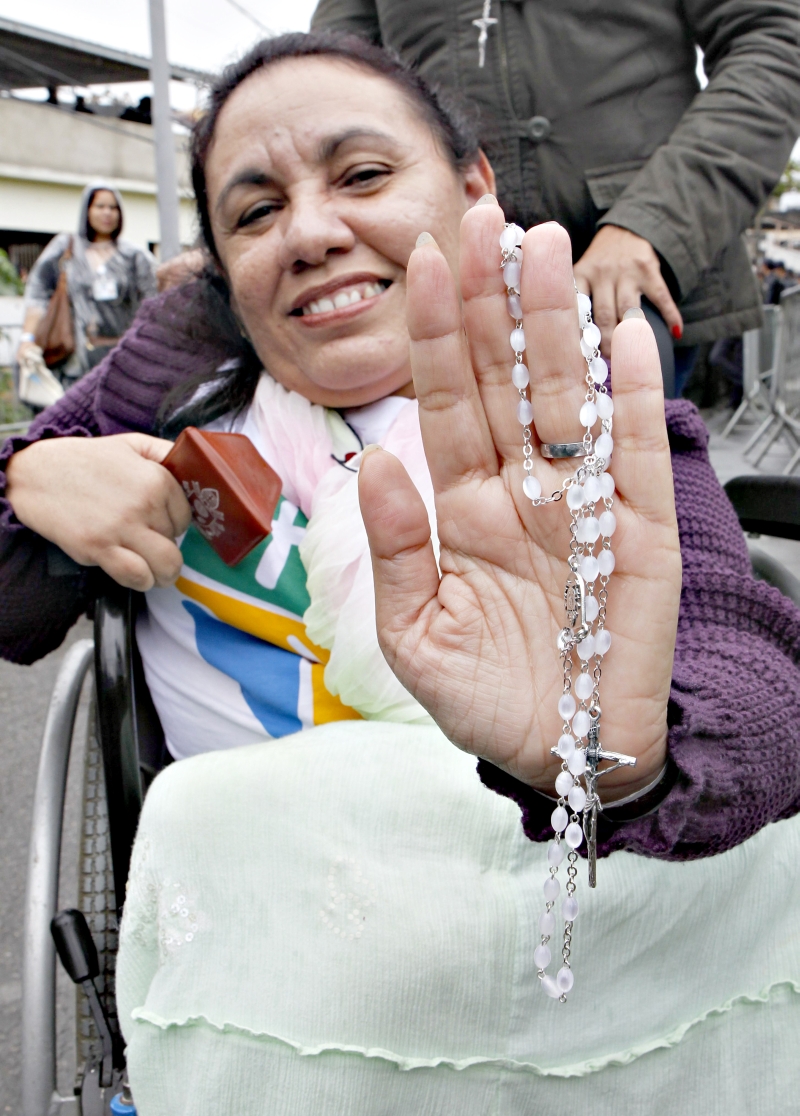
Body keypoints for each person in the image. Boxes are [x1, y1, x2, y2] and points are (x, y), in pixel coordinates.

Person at [1, 34, 799, 1113]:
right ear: (225, 278)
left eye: (363, 175)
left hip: (590, 959)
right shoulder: (169, 397)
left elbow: (754, 681)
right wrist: (29, 479)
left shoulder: (587, 414)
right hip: (279, 987)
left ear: (473, 185)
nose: (314, 233)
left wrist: (619, 763)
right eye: (253, 212)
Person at [311, 0, 800, 397]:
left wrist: (654, 224)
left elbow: (776, 39)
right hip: (442, 295)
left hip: (633, 287)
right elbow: (329, 83)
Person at [16, 182, 157, 384]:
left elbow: (151, 302)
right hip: (74, 358)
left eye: (113, 207)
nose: (107, 213)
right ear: (87, 210)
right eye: (100, 206)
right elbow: (38, 293)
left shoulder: (133, 256)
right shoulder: (66, 248)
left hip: (120, 357)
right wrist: (27, 339)